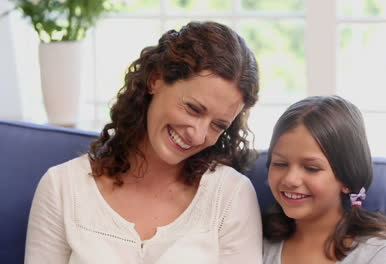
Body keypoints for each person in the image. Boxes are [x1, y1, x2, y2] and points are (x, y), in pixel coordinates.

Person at [25, 21, 262, 263]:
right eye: (193, 109)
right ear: (155, 79)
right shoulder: (62, 188)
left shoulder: (230, 195)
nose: (198, 135)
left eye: (218, 125)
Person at [262, 96, 386, 264]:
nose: (290, 179)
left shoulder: (377, 250)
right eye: (280, 163)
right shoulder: (259, 240)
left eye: (311, 168)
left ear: (346, 177)